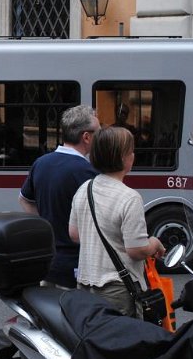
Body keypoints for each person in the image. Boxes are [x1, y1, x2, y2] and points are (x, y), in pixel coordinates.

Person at [68, 126, 165, 318]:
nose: (133, 155)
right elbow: (136, 250)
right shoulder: (129, 197)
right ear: (123, 158)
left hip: (86, 284)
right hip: (117, 290)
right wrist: (154, 243)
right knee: (120, 343)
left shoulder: (85, 188)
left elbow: (75, 234)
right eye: (131, 151)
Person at [18, 105, 100, 289]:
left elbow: (24, 199)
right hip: (76, 264)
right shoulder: (87, 172)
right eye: (98, 132)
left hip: (48, 261)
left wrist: (46, 226)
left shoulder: (41, 163)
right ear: (86, 137)